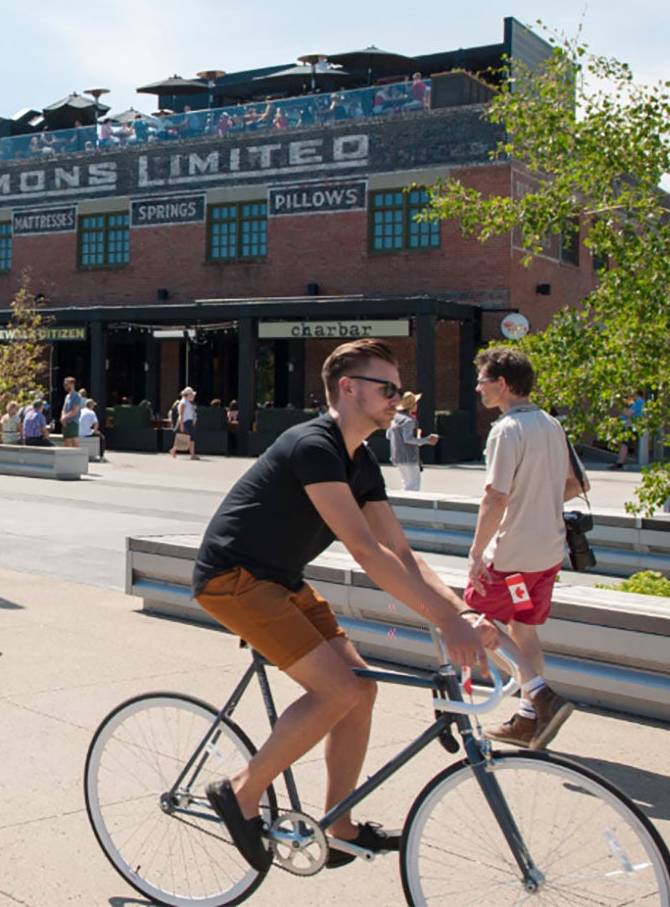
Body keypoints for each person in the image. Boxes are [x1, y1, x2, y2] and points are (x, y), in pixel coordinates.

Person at [190, 338, 493, 874]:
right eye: (388, 388)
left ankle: (338, 824)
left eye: (398, 389)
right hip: (233, 579)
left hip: (280, 579)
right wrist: (445, 621)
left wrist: (460, 613)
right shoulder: (314, 445)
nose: (399, 398)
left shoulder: (360, 460)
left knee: (363, 688)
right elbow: (365, 549)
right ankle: (240, 790)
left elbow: (400, 549)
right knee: (339, 689)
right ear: (349, 388)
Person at [467, 347, 585, 749]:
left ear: (502, 384)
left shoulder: (506, 430)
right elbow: (576, 484)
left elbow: (496, 497)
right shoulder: (552, 424)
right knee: (523, 630)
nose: (477, 387)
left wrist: (475, 553)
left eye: (482, 380)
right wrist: (540, 503)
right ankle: (528, 719)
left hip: (512, 553)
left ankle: (540, 694)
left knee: (473, 620)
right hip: (548, 551)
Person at [387, 391, 440, 490]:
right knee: (413, 485)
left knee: (405, 483)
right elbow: (408, 439)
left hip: (397, 455)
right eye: (415, 403)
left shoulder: (395, 418)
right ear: (411, 406)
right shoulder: (409, 420)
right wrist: (426, 440)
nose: (416, 405)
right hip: (409, 456)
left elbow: (388, 435)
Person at [171, 387, 201, 460]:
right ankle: (192, 454)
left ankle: (174, 450)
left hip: (188, 421)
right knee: (191, 437)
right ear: (188, 395)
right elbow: (181, 414)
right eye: (192, 395)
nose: (193, 396)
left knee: (186, 437)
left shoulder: (186, 402)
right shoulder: (184, 402)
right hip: (186, 422)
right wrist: (181, 424)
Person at [59, 376, 84, 448]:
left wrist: (65, 418)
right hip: (66, 422)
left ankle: (77, 457)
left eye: (66, 384)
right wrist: (62, 418)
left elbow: (74, 411)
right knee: (66, 442)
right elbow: (64, 409)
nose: (65, 386)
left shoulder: (76, 396)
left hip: (73, 422)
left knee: (74, 441)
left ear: (72, 384)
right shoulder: (67, 396)